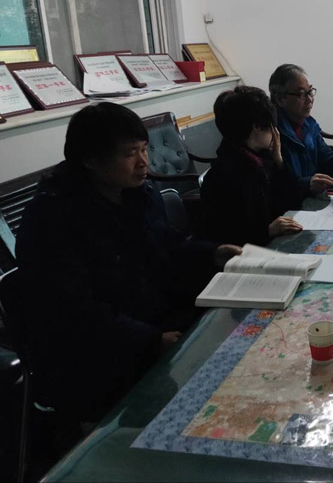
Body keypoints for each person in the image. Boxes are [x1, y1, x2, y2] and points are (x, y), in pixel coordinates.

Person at [14, 102, 241, 421]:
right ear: (90, 160)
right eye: (130, 153)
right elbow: (73, 311)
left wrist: (213, 253)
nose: (144, 161)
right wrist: (150, 341)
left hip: (153, 326)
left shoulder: (136, 194)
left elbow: (168, 245)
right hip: (97, 361)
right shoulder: (51, 219)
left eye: (144, 149)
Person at [201, 85, 304, 246]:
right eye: (271, 126)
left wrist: (279, 161)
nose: (275, 133)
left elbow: (294, 202)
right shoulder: (225, 175)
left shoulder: (261, 160)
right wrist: (268, 230)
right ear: (256, 127)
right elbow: (224, 236)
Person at [269, 63, 333, 194]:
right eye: (301, 94)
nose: (310, 99)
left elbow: (327, 158)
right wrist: (307, 185)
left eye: (310, 92)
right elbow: (278, 186)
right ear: (280, 100)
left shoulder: (308, 125)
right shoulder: (272, 135)